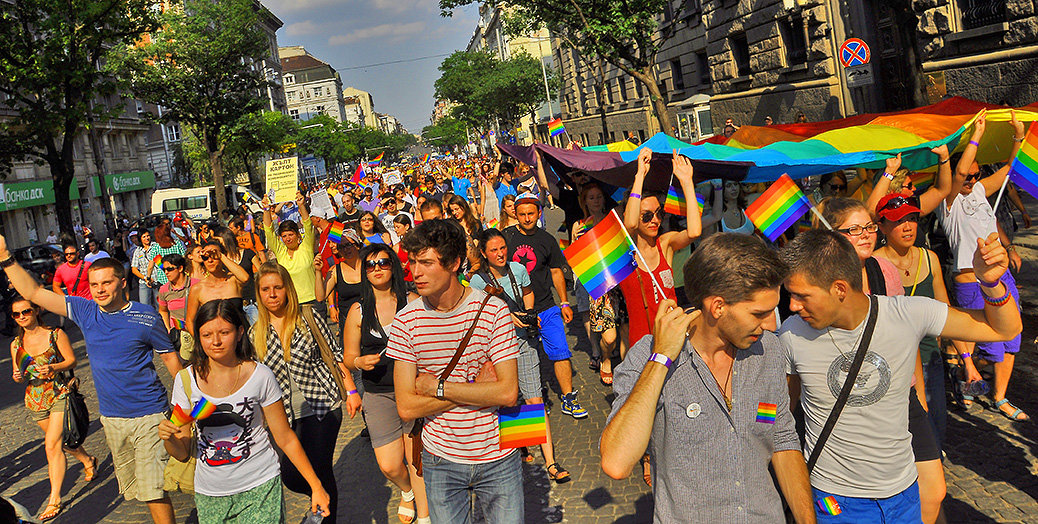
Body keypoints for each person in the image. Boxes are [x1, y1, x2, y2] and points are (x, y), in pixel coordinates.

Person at [779, 229, 1020, 522]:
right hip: (834, 502)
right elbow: (782, 418)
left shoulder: (907, 315)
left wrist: (992, 283)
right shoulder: (791, 335)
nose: (792, 305)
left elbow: (1004, 330)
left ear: (840, 289)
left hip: (903, 495)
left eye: (801, 296)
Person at [601, 233, 814, 522]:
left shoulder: (769, 351)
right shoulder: (649, 356)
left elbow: (782, 439)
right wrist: (661, 358)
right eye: (759, 313)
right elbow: (617, 462)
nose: (769, 324)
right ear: (717, 307)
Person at [0, 244, 182, 524]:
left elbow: (171, 360)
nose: (99, 290)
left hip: (149, 415)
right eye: (94, 284)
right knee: (137, 490)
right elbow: (34, 293)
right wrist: (6, 258)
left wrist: (186, 406)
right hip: (112, 418)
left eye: (106, 282)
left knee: (153, 491)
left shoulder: (146, 317)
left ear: (122, 283)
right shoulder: (86, 311)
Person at [389, 219, 522, 524]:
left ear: (454, 263)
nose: (416, 272)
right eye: (412, 262)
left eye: (426, 263)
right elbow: (407, 406)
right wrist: (476, 388)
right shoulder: (406, 321)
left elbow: (507, 392)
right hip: (440, 459)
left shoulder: (493, 310)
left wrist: (437, 387)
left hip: (499, 453)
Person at [158, 300, 331, 522]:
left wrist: (316, 486)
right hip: (210, 493)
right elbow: (181, 452)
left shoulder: (260, 375)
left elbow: (285, 437)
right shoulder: (187, 380)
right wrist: (168, 438)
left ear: (240, 333)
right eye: (207, 335)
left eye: (224, 332)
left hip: (261, 484)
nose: (216, 341)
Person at [251, 262, 359, 523]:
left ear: (287, 289)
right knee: (291, 475)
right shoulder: (256, 332)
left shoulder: (307, 316)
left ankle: (324, 516)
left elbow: (333, 355)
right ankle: (320, 496)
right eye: (266, 289)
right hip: (284, 414)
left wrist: (352, 390)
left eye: (278, 287)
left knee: (320, 467)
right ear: (259, 294)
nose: (273, 294)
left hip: (322, 404)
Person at [938, 110, 1028, 421]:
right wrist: (976, 136)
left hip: (999, 276)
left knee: (1010, 339)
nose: (972, 180)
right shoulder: (948, 200)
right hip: (968, 279)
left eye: (977, 175)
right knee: (976, 336)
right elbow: (959, 173)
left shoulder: (978, 189)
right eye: (969, 176)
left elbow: (1008, 170)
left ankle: (1000, 396)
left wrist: (1019, 134)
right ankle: (967, 375)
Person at [469, 228, 571, 484]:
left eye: (503, 248)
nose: (500, 253)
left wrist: (528, 312)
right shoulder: (478, 281)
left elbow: (527, 292)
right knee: (510, 399)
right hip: (497, 349)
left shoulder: (519, 270)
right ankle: (520, 451)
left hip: (523, 343)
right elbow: (477, 317)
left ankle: (550, 462)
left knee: (535, 398)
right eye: (494, 250)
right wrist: (507, 317)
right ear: (484, 253)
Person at [342, 245, 428, 524]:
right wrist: (359, 363)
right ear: (365, 272)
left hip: (412, 391)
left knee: (416, 461)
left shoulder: (413, 300)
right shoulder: (358, 310)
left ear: (393, 266)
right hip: (378, 393)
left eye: (383, 262)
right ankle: (406, 492)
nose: (377, 268)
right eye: (370, 264)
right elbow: (348, 356)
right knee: (389, 465)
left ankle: (426, 517)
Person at [874, 195, 954, 454]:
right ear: (882, 226)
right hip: (895, 367)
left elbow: (946, 311)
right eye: (899, 221)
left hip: (930, 359)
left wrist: (966, 357)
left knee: (935, 427)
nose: (908, 226)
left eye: (912, 219)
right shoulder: (873, 265)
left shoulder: (929, 259)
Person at [9, 298, 97, 521]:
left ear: (36, 311)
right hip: (35, 399)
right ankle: (88, 460)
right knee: (62, 443)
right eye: (16, 314)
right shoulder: (16, 344)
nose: (22, 317)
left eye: (26, 311)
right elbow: (18, 373)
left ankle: (54, 499)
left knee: (51, 446)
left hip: (59, 393)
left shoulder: (54, 334)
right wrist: (17, 376)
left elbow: (72, 360)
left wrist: (53, 366)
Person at [504, 193, 587, 419]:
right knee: (523, 357)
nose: (527, 218)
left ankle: (568, 397)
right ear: (515, 214)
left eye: (531, 213)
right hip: (517, 311)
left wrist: (564, 302)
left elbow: (556, 271)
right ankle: (533, 397)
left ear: (539, 213)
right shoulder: (506, 238)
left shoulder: (547, 239)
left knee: (560, 352)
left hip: (547, 307)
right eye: (522, 214)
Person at [621, 148, 703, 346]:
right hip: (642, 344)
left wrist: (686, 182)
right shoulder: (624, 250)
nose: (655, 220)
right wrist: (640, 174)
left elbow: (694, 232)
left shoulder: (664, 244)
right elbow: (630, 223)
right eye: (647, 216)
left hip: (672, 339)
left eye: (659, 214)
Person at [571, 184, 626, 385]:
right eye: (591, 197)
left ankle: (625, 364)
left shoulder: (614, 217)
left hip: (620, 278)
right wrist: (577, 240)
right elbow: (573, 254)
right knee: (606, 332)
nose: (595, 200)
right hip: (597, 280)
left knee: (624, 328)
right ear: (584, 201)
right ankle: (602, 355)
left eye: (599, 196)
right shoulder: (579, 224)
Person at [262, 192, 319, 308]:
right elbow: (268, 231)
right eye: (284, 236)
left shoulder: (306, 247)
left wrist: (301, 205)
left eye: (290, 234)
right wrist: (266, 209)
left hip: (313, 301)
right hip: (291, 304)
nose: (288, 239)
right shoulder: (280, 252)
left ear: (298, 235)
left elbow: (308, 225)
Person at [184, 239, 249, 336]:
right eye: (205, 257)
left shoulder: (233, 280)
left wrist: (221, 256)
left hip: (241, 338)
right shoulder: (198, 289)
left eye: (214, 256)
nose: (210, 260)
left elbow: (245, 278)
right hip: (215, 342)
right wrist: (201, 343)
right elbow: (190, 321)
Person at [313, 228, 364, 334]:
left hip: (371, 321)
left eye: (349, 245)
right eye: (341, 247)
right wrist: (318, 272)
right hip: (348, 325)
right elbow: (320, 296)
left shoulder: (370, 266)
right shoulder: (335, 271)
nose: (346, 250)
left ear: (357, 245)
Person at [156, 254, 199, 362]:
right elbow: (163, 310)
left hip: (198, 332)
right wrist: (168, 329)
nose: (166, 272)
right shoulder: (164, 290)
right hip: (179, 336)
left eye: (170, 269)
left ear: (180, 268)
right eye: (164, 269)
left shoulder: (197, 285)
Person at [146, 222, 187, 287]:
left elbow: (151, 266)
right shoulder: (177, 243)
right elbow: (184, 258)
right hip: (178, 277)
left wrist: (148, 278)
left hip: (163, 280)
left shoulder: (156, 248)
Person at [131, 229, 160, 308]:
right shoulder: (138, 251)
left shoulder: (156, 246)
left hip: (157, 280)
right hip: (144, 282)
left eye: (148, 236)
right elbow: (134, 269)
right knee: (145, 306)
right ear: (140, 238)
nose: (146, 238)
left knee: (159, 305)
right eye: (144, 237)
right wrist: (145, 278)